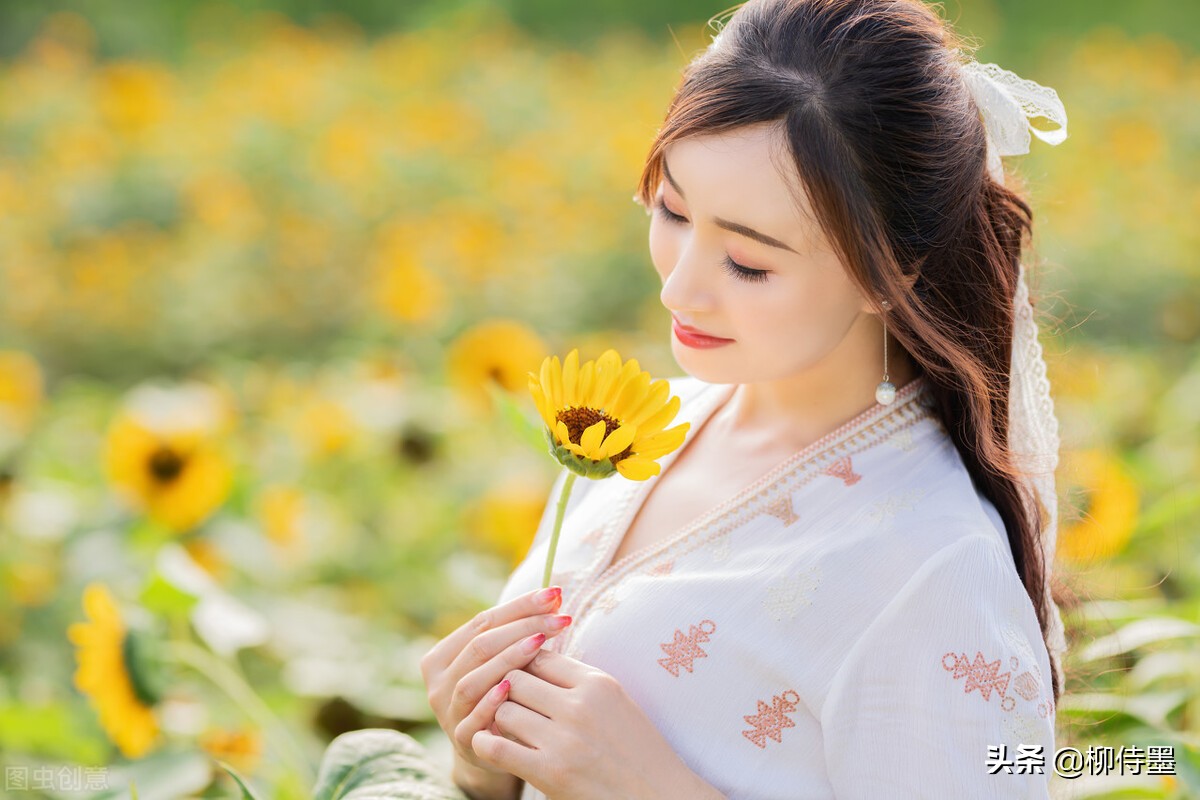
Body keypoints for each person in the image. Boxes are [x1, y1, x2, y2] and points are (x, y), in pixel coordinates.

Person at [421, 0, 1070, 797]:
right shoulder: (641, 427)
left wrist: (654, 789)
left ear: (891, 270)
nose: (679, 287)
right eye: (672, 210)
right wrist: (477, 764)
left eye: (748, 263)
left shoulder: (934, 568)